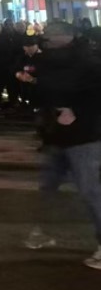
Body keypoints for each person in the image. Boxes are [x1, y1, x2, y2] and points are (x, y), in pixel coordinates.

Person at [19, 21, 101, 267]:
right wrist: (29, 84)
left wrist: (76, 112)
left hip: (83, 136)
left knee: (90, 191)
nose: (48, 38)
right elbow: (43, 92)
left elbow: (94, 95)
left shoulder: (87, 61)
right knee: (48, 187)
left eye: (53, 35)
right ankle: (43, 230)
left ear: (67, 36)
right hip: (55, 134)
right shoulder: (47, 61)